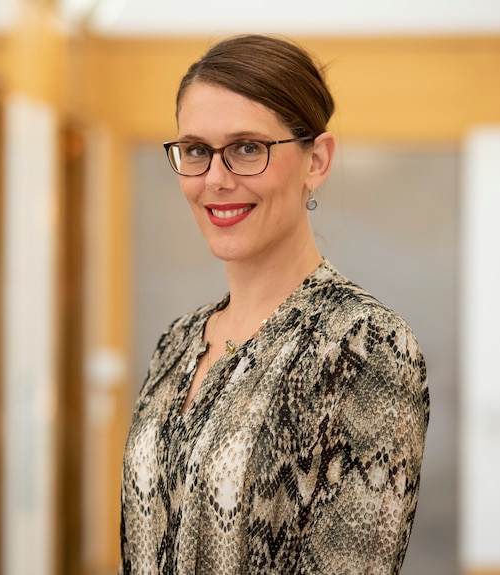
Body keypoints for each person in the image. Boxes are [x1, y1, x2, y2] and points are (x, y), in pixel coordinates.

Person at [119, 34, 429, 575]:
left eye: (247, 148)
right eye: (195, 150)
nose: (215, 179)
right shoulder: (178, 340)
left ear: (317, 159)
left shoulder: (365, 346)